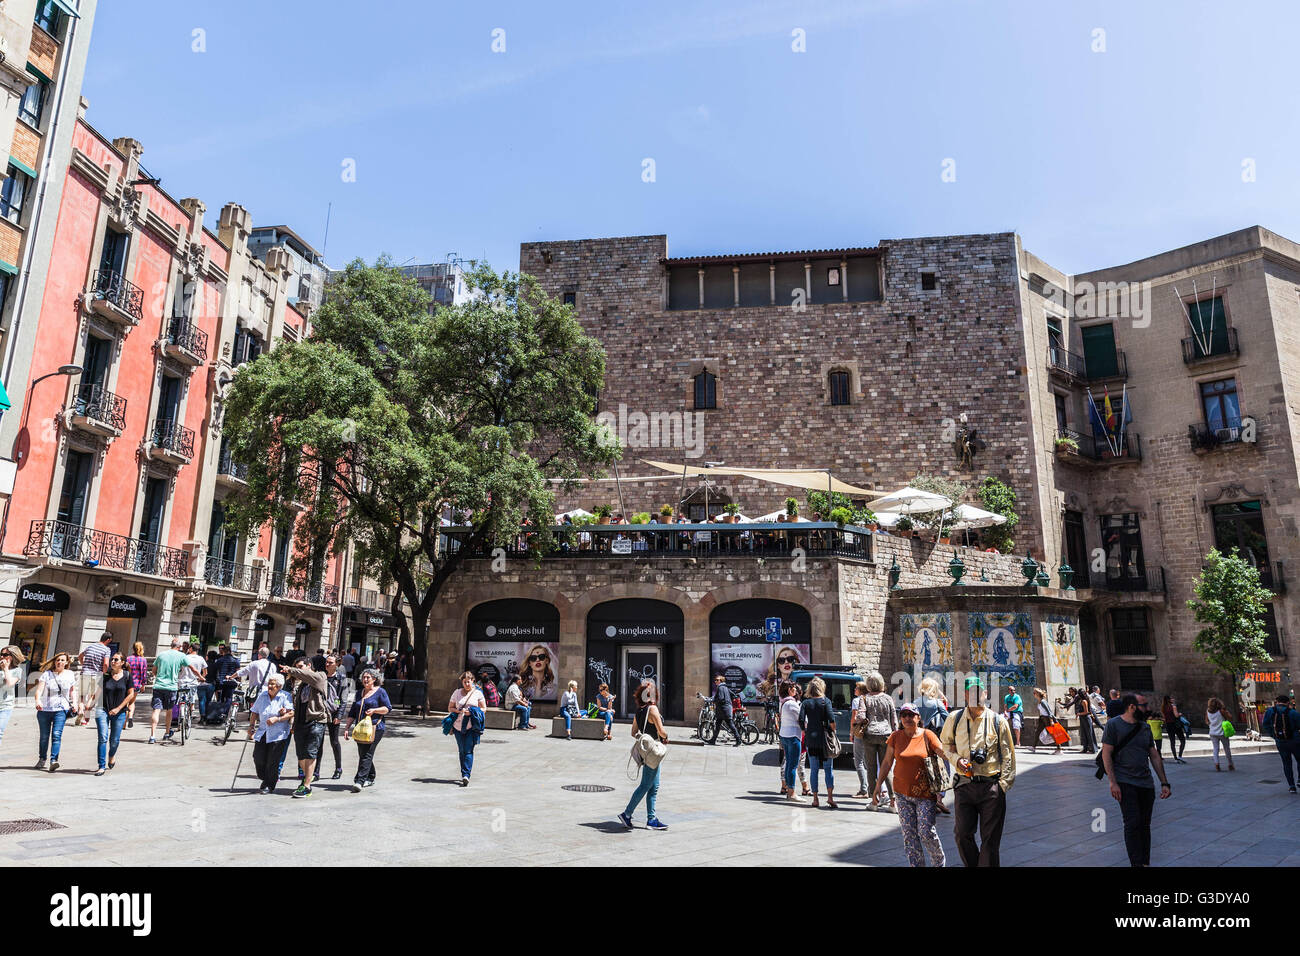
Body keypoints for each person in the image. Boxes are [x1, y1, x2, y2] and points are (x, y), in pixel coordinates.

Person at [940, 676, 1016, 867]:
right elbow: (946, 745)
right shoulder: (954, 718)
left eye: (978, 691)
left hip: (991, 786)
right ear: (965, 694)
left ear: (985, 693)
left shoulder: (998, 721)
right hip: (964, 785)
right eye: (970, 691)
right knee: (962, 834)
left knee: (990, 840)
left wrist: (1003, 785)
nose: (974, 695)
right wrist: (958, 760)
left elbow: (1008, 755)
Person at [1101, 693, 1171, 867]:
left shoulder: (1144, 727)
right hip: (1125, 783)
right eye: (1144, 705)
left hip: (1145, 783)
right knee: (1132, 823)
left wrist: (1164, 782)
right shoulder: (1113, 725)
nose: (1147, 708)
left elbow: (1153, 755)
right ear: (1132, 707)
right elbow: (1106, 753)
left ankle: (1145, 862)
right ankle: (1137, 863)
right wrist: (1113, 782)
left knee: (1144, 825)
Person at [873, 702, 946, 867]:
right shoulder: (895, 736)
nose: (907, 718)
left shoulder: (928, 735)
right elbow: (886, 762)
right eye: (903, 715)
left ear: (918, 717)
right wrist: (878, 785)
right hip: (902, 794)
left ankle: (939, 862)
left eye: (911, 715)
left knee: (926, 832)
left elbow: (941, 751)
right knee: (909, 835)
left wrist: (956, 758)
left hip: (925, 795)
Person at [618, 679, 669, 830]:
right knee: (646, 785)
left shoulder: (639, 710)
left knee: (654, 786)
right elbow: (661, 732)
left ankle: (651, 819)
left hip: (646, 751)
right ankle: (627, 814)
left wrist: (643, 740)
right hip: (654, 751)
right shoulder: (653, 710)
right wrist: (665, 737)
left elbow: (633, 732)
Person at [278, 658, 330, 797]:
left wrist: (291, 669)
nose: (299, 670)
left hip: (316, 720)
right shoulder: (301, 685)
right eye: (297, 667)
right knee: (301, 755)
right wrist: (293, 723)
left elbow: (308, 676)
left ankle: (306, 785)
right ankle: (308, 777)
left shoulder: (320, 677)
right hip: (301, 722)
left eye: (301, 667)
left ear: (309, 666)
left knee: (310, 753)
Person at [345, 668, 391, 791]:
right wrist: (347, 728)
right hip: (360, 729)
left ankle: (359, 781)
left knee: (366, 754)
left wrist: (375, 710)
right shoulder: (359, 693)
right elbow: (353, 711)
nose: (365, 680)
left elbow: (387, 708)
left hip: (376, 728)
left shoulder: (381, 692)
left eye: (368, 678)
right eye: (363, 677)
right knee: (363, 754)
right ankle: (370, 777)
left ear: (374, 679)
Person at [248, 673, 294, 794]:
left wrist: (277, 719)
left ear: (279, 686)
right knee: (258, 757)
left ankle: (269, 784)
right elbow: (254, 712)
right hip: (263, 731)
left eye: (272, 684)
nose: (270, 686)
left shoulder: (285, 696)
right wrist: (251, 726)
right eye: (269, 683)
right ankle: (265, 778)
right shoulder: (262, 695)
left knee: (272, 761)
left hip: (278, 734)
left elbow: (291, 713)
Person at [799, 676, 837, 809]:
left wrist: (804, 731)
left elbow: (801, 719)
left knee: (814, 769)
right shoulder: (825, 701)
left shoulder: (805, 703)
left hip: (811, 739)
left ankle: (815, 799)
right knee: (828, 769)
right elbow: (831, 719)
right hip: (824, 740)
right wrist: (833, 730)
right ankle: (830, 798)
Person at [34, 652, 78, 771]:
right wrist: (38, 701)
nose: (60, 662)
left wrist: (74, 703)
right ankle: (42, 759)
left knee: (57, 735)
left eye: (63, 660)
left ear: (67, 662)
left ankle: (54, 760)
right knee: (44, 736)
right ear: (54, 661)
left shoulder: (70, 674)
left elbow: (73, 691)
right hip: (45, 710)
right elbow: (38, 691)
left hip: (61, 710)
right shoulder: (47, 674)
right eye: (58, 660)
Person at [94, 652, 136, 774]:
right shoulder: (106, 675)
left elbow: (130, 695)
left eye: (116, 659)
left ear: (122, 663)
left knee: (114, 741)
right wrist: (88, 705)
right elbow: (97, 692)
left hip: (120, 712)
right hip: (103, 709)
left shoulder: (127, 676)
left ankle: (111, 755)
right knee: (102, 738)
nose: (112, 661)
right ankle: (101, 765)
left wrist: (118, 708)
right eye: (112, 659)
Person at [449, 670, 485, 786]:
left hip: (472, 727)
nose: (467, 684)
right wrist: (458, 710)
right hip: (458, 726)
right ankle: (463, 772)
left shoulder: (478, 693)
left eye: (468, 682)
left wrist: (473, 711)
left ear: (472, 681)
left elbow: (484, 709)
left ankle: (466, 774)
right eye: (464, 682)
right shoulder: (457, 692)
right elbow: (450, 707)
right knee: (462, 750)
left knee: (468, 750)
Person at [1262, 695, 1300, 792]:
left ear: (1276, 702)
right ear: (1288, 703)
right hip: (1294, 740)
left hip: (1280, 742)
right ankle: (1299, 779)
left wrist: (1274, 735)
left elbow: (1265, 724)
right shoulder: (1293, 713)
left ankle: (1291, 786)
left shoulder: (1270, 711)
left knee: (1286, 763)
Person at [76, 633, 112, 726]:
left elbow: (80, 656)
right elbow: (106, 664)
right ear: (108, 640)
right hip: (96, 675)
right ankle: (85, 718)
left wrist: (84, 664)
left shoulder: (90, 646)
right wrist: (104, 672)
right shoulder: (106, 649)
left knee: (82, 696)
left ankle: (80, 709)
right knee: (92, 697)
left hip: (84, 673)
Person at [778, 680, 804, 802]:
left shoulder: (783, 703)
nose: (796, 690)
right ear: (789, 690)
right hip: (793, 736)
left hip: (785, 735)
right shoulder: (792, 704)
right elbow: (802, 719)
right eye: (793, 688)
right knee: (793, 765)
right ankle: (792, 793)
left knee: (789, 764)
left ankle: (789, 790)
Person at [321, 654, 346, 780]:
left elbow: (342, 699)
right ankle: (315, 771)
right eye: (326, 662)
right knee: (318, 743)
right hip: (321, 713)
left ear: (337, 664)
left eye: (330, 662)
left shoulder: (341, 679)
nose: (327, 664)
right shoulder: (322, 676)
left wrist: (339, 714)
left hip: (334, 714)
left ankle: (338, 768)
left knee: (334, 741)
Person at [0, 646, 25, 748]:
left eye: (5, 655)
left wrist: (5, 669)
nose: (2, 656)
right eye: (1, 654)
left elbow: (9, 684)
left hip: (5, 706)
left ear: (12, 656)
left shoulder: (17, 671)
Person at [708, 673, 741, 747]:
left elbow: (721, 698)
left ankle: (738, 740)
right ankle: (713, 740)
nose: (715, 681)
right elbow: (733, 695)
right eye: (715, 680)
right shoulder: (725, 687)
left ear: (721, 681)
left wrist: (714, 701)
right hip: (725, 709)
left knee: (730, 725)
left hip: (723, 709)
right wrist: (729, 702)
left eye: (717, 680)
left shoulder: (720, 687)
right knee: (718, 725)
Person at [179, 642, 209, 724]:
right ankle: (189, 715)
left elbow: (179, 669)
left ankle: (181, 717)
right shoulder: (201, 659)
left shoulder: (184, 657)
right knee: (191, 699)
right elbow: (205, 672)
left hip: (182, 681)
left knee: (181, 700)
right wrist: (200, 678)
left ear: (191, 649)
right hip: (194, 682)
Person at [125, 642, 149, 729]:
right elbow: (144, 673)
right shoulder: (143, 660)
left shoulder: (128, 659)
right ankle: (130, 717)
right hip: (136, 684)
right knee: (132, 702)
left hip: (127, 682)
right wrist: (143, 684)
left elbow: (125, 670)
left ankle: (123, 723)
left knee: (125, 702)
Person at [1030, 687, 1061, 755]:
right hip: (1042, 719)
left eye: (1034, 693)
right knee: (1037, 732)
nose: (1033, 694)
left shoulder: (1043, 702)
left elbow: (1049, 712)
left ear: (1037, 694)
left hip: (1047, 719)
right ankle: (1033, 747)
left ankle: (1059, 749)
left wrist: (1052, 721)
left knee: (1052, 734)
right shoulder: (1040, 701)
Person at [1207, 697, 1235, 771]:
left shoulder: (1207, 711)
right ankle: (1230, 764)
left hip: (1212, 733)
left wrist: (1212, 724)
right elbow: (1230, 718)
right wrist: (1227, 712)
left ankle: (1217, 764)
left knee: (1215, 749)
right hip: (1222, 733)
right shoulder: (1221, 711)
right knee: (1226, 749)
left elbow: (1207, 721)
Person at [1161, 695, 1187, 764]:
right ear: (1169, 699)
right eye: (1171, 698)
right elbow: (1176, 715)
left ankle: (1175, 758)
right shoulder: (1173, 706)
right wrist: (1179, 714)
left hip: (1168, 726)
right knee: (1182, 740)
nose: (1173, 699)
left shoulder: (1163, 707)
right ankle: (1180, 756)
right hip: (1176, 725)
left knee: (1172, 742)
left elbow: (1164, 718)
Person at [1073, 688, 1096, 754]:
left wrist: (1078, 714)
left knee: (1089, 734)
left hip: (1086, 718)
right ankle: (1085, 748)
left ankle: (1093, 749)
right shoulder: (1083, 700)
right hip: (1083, 719)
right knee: (1084, 734)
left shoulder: (1084, 701)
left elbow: (1086, 712)